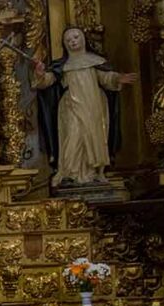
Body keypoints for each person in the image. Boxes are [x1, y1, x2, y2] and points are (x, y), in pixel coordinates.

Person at [34, 26, 137, 186]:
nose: (72, 42)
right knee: (73, 136)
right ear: (64, 44)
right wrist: (40, 74)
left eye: (75, 37)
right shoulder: (62, 65)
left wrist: (117, 78)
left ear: (83, 39)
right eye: (68, 40)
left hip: (93, 104)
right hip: (70, 106)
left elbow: (105, 77)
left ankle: (94, 172)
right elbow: (48, 80)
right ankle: (70, 172)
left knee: (94, 135)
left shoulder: (95, 61)